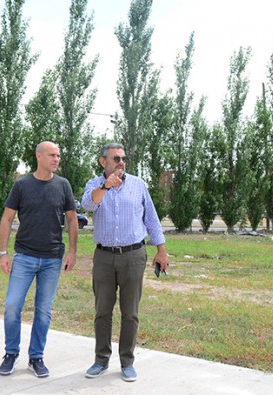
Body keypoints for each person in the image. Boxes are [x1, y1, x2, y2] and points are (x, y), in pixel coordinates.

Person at [80, 143, 169, 382]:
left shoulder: (138, 185)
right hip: (104, 257)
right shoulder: (94, 184)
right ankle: (101, 360)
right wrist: (106, 185)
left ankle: (127, 362)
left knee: (130, 313)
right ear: (103, 162)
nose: (121, 162)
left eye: (123, 158)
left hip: (133, 255)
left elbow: (151, 218)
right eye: (116, 158)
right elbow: (88, 204)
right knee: (102, 311)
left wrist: (161, 250)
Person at [0, 142, 78, 378]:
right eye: (52, 155)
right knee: (12, 306)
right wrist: (3, 253)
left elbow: (72, 220)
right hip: (24, 256)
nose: (56, 159)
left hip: (52, 258)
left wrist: (72, 251)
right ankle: (11, 353)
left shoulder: (63, 185)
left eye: (58, 155)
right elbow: (7, 218)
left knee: (43, 311)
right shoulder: (22, 184)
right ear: (38, 156)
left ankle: (36, 357)